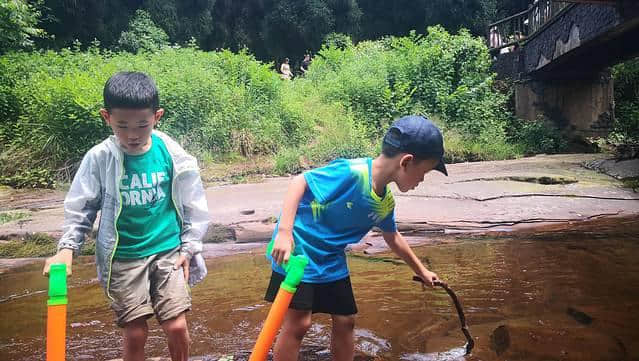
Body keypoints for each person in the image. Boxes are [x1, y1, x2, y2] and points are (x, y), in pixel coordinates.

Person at [42, 71, 210, 361]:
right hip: (123, 257)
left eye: (142, 125)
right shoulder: (100, 158)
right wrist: (67, 248)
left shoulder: (170, 153)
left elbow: (193, 200)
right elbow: (81, 206)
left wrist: (190, 246)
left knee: (177, 325)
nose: (132, 134)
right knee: (135, 332)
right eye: (122, 125)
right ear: (106, 117)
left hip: (167, 251)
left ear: (157, 116)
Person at [265, 115, 446, 361]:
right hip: (298, 249)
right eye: (423, 173)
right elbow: (300, 181)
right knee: (300, 323)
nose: (421, 180)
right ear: (406, 161)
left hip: (330, 258)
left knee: (346, 319)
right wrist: (284, 233)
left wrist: (422, 270)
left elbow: (392, 237)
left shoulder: (384, 203)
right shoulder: (352, 172)